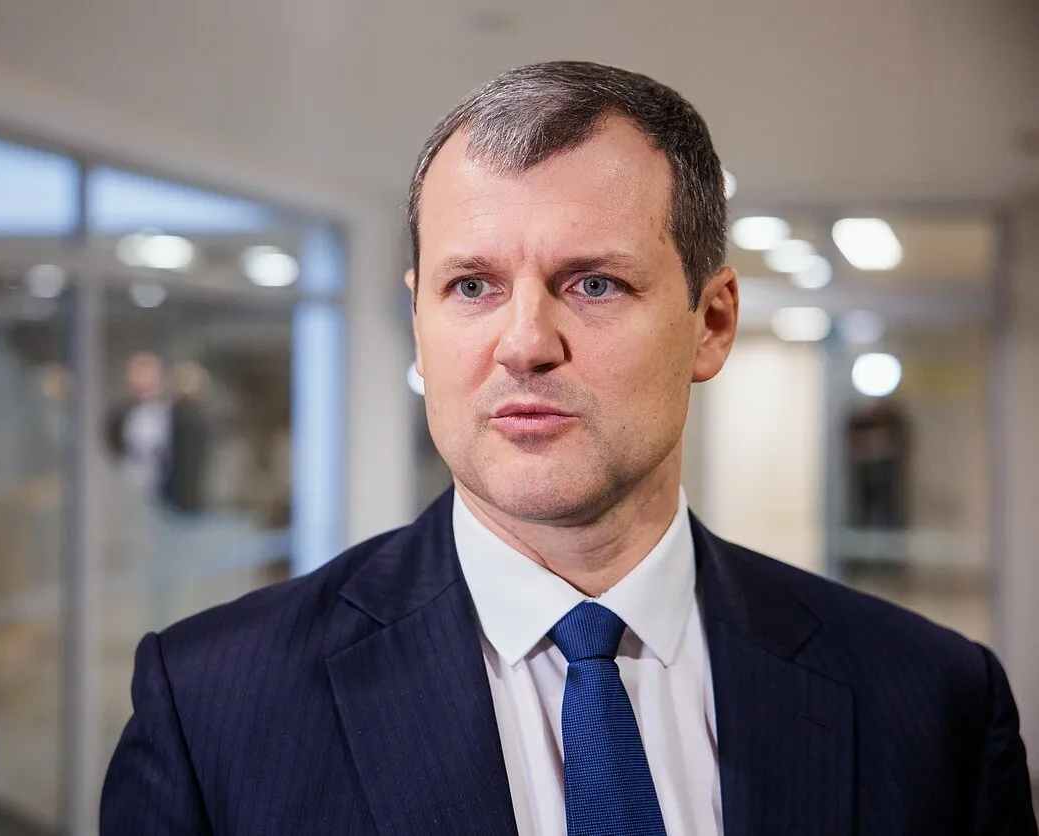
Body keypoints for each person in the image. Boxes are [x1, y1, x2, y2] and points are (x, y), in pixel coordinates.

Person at [101, 62, 1036, 835]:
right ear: (419, 323)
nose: (523, 344)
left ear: (711, 323)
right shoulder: (212, 709)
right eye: (472, 287)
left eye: (592, 283)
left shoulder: (932, 704)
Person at [104, 352, 210, 515]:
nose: (143, 380)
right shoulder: (121, 413)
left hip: (170, 492)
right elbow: (114, 443)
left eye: (148, 373)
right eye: (139, 374)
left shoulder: (173, 411)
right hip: (132, 484)